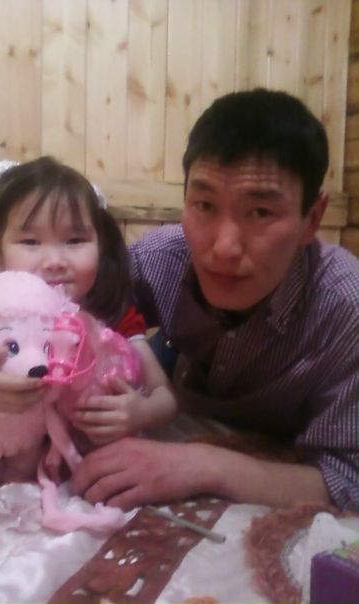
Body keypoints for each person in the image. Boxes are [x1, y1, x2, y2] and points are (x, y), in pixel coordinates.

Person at [71, 88, 359, 512]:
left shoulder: (346, 308)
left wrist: (202, 465)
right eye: (204, 205)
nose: (224, 247)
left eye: (260, 212)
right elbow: (63, 310)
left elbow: (348, 479)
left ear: (311, 219)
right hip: (175, 372)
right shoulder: (160, 257)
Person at [0, 157, 177, 451]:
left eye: (75, 240)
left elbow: (166, 397)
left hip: (83, 468)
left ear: (100, 245)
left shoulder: (112, 322)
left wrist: (141, 412)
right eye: (30, 242)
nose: (55, 261)